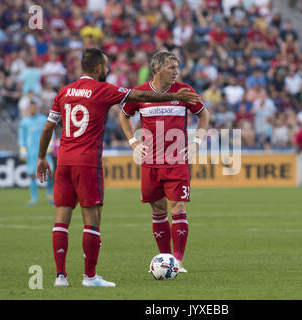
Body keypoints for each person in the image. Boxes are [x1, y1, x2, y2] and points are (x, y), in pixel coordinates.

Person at [35, 48, 199, 288]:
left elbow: (49, 127)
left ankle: (60, 276)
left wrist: (41, 157)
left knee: (61, 218)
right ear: (99, 68)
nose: (109, 69)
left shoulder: (64, 91)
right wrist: (177, 98)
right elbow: (142, 96)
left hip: (64, 161)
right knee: (92, 218)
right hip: (87, 162)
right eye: (107, 65)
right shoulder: (102, 90)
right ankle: (90, 277)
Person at [120, 50, 210, 273]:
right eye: (171, 68)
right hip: (150, 162)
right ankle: (165, 257)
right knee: (158, 209)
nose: (176, 72)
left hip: (177, 161)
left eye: (177, 67)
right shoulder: (140, 93)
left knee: (178, 207)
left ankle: (177, 261)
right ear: (157, 69)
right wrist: (134, 142)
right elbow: (123, 115)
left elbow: (204, 115)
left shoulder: (184, 91)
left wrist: (196, 142)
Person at [18, 102, 54, 206]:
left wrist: (50, 144)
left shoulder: (43, 119)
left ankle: (50, 195)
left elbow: (49, 131)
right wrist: (23, 149)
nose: (32, 109)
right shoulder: (25, 122)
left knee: (50, 172)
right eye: (31, 107)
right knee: (32, 174)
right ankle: (34, 199)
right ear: (28, 109)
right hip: (31, 152)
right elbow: (22, 136)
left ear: (37, 108)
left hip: (45, 150)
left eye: (34, 107)